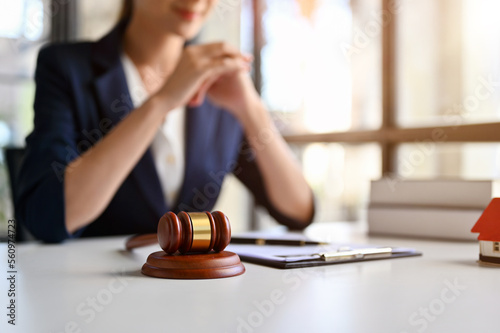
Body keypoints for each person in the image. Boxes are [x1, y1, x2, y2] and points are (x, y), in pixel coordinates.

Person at [16, 0, 314, 243]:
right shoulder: (67, 68)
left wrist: (252, 109)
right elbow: (48, 218)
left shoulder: (218, 83)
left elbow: (298, 211)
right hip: (85, 297)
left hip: (192, 298)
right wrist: (163, 101)